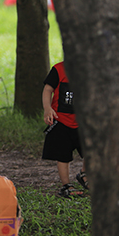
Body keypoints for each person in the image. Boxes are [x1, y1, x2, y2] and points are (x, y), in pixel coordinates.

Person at [42, 61, 88, 198]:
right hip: (61, 121)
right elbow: (47, 89)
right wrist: (47, 108)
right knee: (63, 156)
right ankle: (66, 184)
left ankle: (84, 174)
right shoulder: (58, 69)